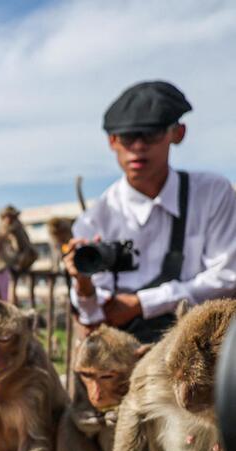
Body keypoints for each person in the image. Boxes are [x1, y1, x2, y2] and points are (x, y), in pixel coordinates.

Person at [65, 80, 236, 343]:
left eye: (151, 134)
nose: (138, 146)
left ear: (177, 133)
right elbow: (92, 316)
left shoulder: (212, 193)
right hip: (123, 350)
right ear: (113, 141)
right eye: (127, 137)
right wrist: (83, 284)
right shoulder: (95, 219)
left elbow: (227, 279)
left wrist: (142, 303)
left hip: (200, 344)